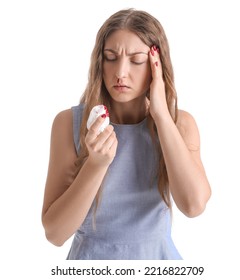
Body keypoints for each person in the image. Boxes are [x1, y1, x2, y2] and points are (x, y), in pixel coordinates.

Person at [41, 8, 211, 260]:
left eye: (136, 60)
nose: (120, 72)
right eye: (111, 57)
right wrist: (95, 165)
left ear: (156, 64)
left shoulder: (180, 124)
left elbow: (193, 206)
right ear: (99, 62)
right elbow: (55, 233)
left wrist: (162, 117)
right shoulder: (68, 123)